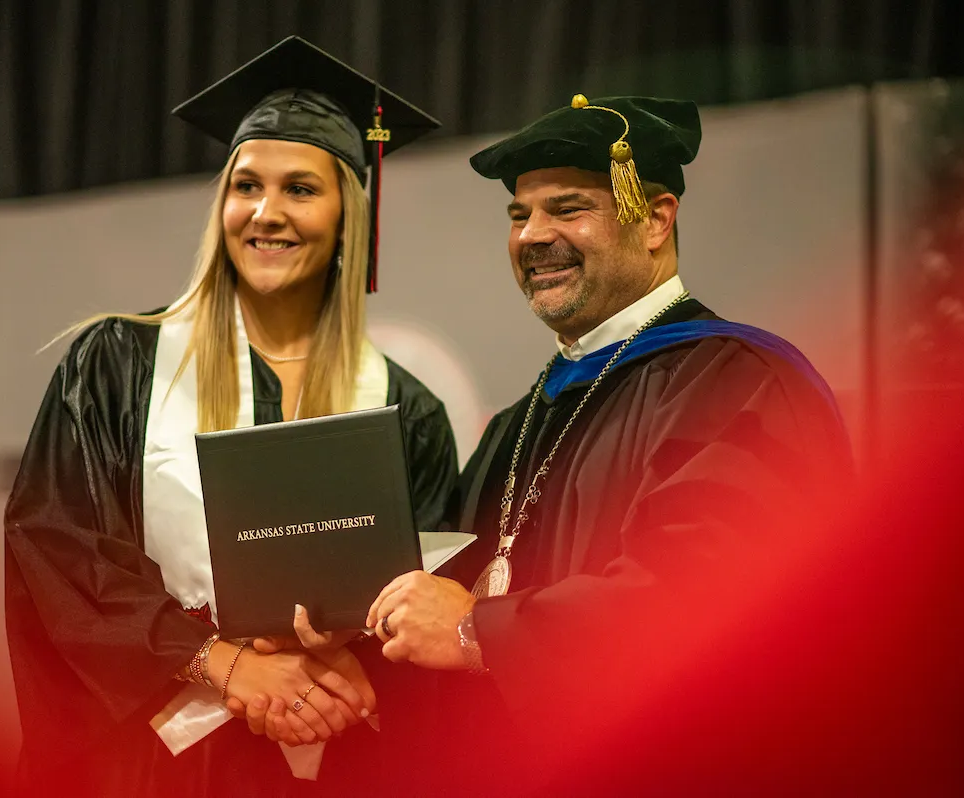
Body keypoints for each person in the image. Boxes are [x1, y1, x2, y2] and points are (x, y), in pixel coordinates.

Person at [351, 94, 856, 792]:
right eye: (518, 215)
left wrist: (480, 631)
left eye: (566, 208)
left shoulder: (737, 384)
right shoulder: (516, 425)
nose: (532, 235)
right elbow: (444, 624)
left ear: (653, 219)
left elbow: (703, 599)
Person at [3, 36, 458, 797]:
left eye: (301, 189)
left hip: (334, 761)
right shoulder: (121, 363)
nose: (266, 213)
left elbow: (427, 594)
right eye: (246, 186)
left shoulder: (404, 408)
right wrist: (228, 665)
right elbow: (58, 551)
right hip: (154, 764)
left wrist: (326, 677)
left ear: (351, 211)